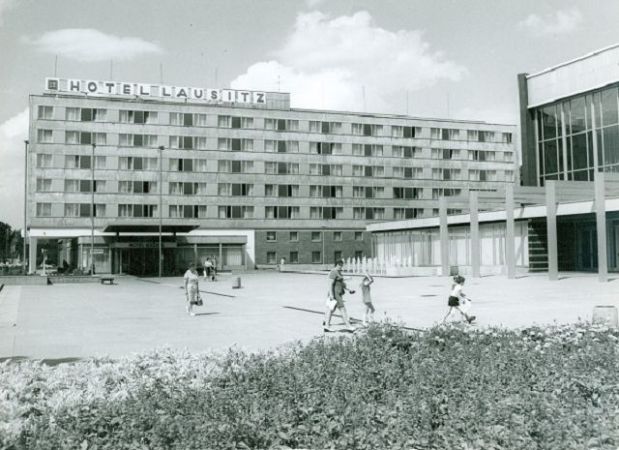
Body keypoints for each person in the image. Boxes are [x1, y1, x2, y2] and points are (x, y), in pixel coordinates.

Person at [323, 259, 355, 332]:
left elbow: (341, 284)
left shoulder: (338, 272)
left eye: (342, 266)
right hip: (335, 294)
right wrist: (331, 294)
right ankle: (348, 326)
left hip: (338, 293)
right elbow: (330, 284)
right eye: (341, 266)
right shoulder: (333, 272)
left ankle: (326, 326)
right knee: (342, 309)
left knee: (331, 310)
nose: (341, 267)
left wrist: (349, 289)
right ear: (337, 265)